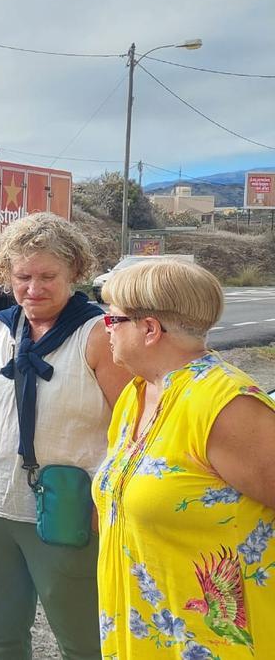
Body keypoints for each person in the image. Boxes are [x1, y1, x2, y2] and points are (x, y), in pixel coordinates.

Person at [0, 212, 132, 659]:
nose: (34, 288)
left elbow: (131, 427)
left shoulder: (98, 335)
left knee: (84, 640)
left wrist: (108, 503)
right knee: (1, 635)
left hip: (67, 510)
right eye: (23, 276)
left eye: (48, 275)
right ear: (5, 275)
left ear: (74, 271)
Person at [95, 260, 275, 659]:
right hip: (140, 634)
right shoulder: (137, 395)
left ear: (149, 329)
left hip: (215, 644)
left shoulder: (227, 407)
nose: (106, 329)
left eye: (114, 320)